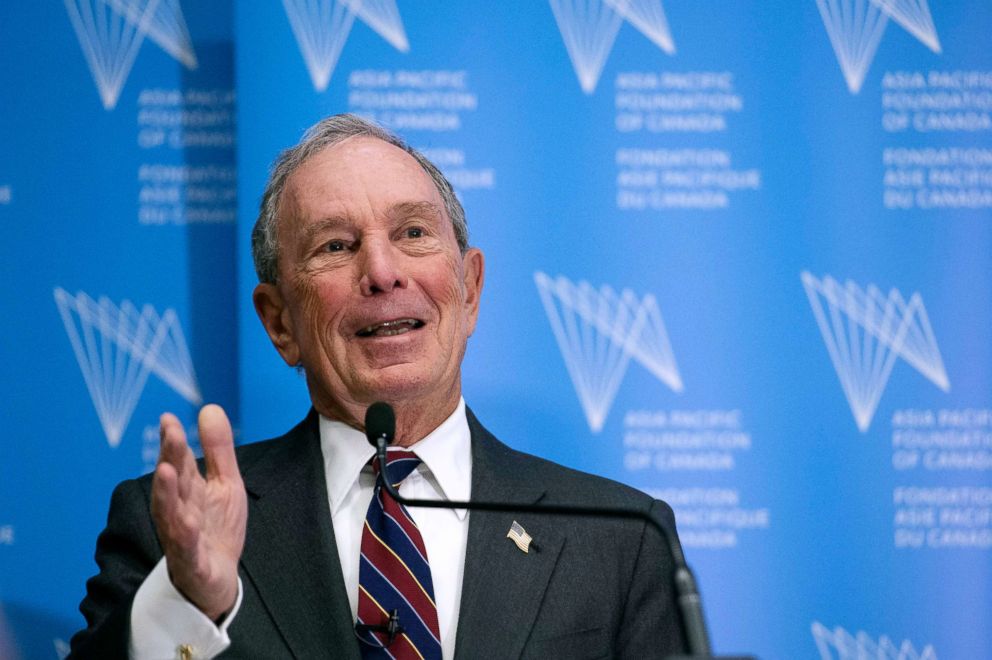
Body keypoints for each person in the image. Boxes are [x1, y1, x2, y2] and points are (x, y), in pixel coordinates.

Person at [69, 114, 687, 659]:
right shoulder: (173, 530)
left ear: (469, 290)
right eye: (336, 246)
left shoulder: (621, 538)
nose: (383, 272)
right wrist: (188, 607)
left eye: (413, 233)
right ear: (280, 322)